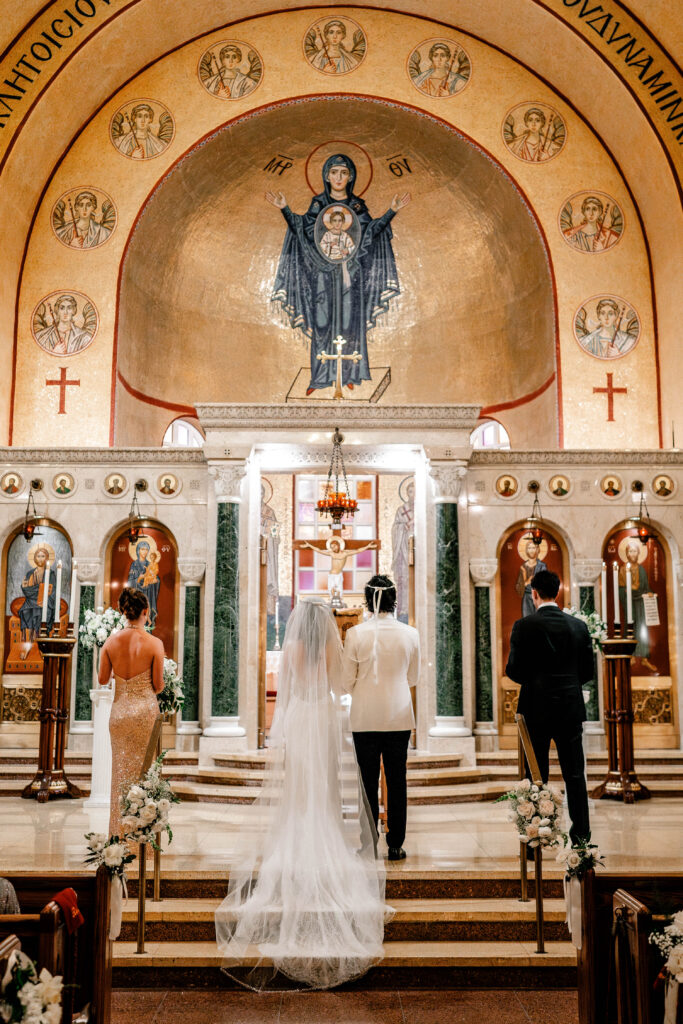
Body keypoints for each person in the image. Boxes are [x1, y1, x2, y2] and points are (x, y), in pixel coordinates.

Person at [215, 598, 389, 989]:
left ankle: (297, 836)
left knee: (299, 782)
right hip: (324, 715)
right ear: (324, 625)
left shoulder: (291, 650)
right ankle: (325, 829)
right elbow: (339, 685)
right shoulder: (331, 648)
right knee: (324, 780)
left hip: (297, 716)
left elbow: (287, 689)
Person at [266, 153, 409, 395]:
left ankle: (349, 374)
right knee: (321, 324)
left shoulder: (357, 207)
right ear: (326, 176)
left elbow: (371, 233)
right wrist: (284, 209)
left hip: (350, 277)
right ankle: (320, 378)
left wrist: (391, 212)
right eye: (334, 172)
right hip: (321, 277)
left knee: (349, 324)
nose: (338, 177)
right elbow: (303, 231)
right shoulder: (317, 204)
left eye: (343, 173)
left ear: (351, 176)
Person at [506, 570, 593, 846]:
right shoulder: (578, 627)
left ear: (534, 594)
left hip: (536, 709)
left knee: (535, 775)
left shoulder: (524, 626)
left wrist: (537, 680)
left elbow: (514, 671)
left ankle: (536, 839)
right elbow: (587, 671)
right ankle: (580, 838)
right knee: (575, 774)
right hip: (569, 708)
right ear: (558, 592)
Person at [342, 575, 420, 861]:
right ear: (393, 599)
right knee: (397, 779)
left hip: (364, 716)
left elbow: (346, 681)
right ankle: (396, 844)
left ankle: (368, 843)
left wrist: (363, 686)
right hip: (399, 716)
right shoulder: (410, 633)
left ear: (367, 600)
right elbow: (413, 677)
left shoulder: (356, 634)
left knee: (367, 779)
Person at [98, 588, 164, 839]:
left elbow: (103, 679)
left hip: (119, 715)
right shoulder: (154, 644)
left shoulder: (110, 642)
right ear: (145, 612)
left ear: (123, 612)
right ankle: (143, 836)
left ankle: (119, 834)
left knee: (120, 773)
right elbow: (158, 685)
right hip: (145, 714)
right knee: (145, 774)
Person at [619, 540, 658, 674]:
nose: (633, 553)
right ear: (627, 553)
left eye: (635, 551)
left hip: (640, 602)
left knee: (642, 628)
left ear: (638, 553)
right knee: (631, 626)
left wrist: (650, 593)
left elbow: (646, 587)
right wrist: (628, 593)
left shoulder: (641, 569)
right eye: (630, 551)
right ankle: (631, 655)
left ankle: (644, 657)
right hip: (629, 602)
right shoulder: (623, 569)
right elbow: (621, 589)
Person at [127, 539, 160, 628]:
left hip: (148, 594)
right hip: (136, 596)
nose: (144, 551)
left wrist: (156, 581)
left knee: (146, 617)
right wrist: (138, 579)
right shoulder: (134, 564)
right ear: (138, 550)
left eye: (146, 549)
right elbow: (129, 582)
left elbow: (155, 577)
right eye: (142, 549)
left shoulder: (150, 564)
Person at [515, 539, 547, 617]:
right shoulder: (523, 567)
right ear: (526, 550)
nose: (531, 550)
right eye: (529, 548)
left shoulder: (542, 566)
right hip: (526, 598)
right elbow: (519, 587)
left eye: (533, 548)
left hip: (538, 597)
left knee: (539, 620)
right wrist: (526, 580)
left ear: (537, 550)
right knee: (527, 621)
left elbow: (545, 582)